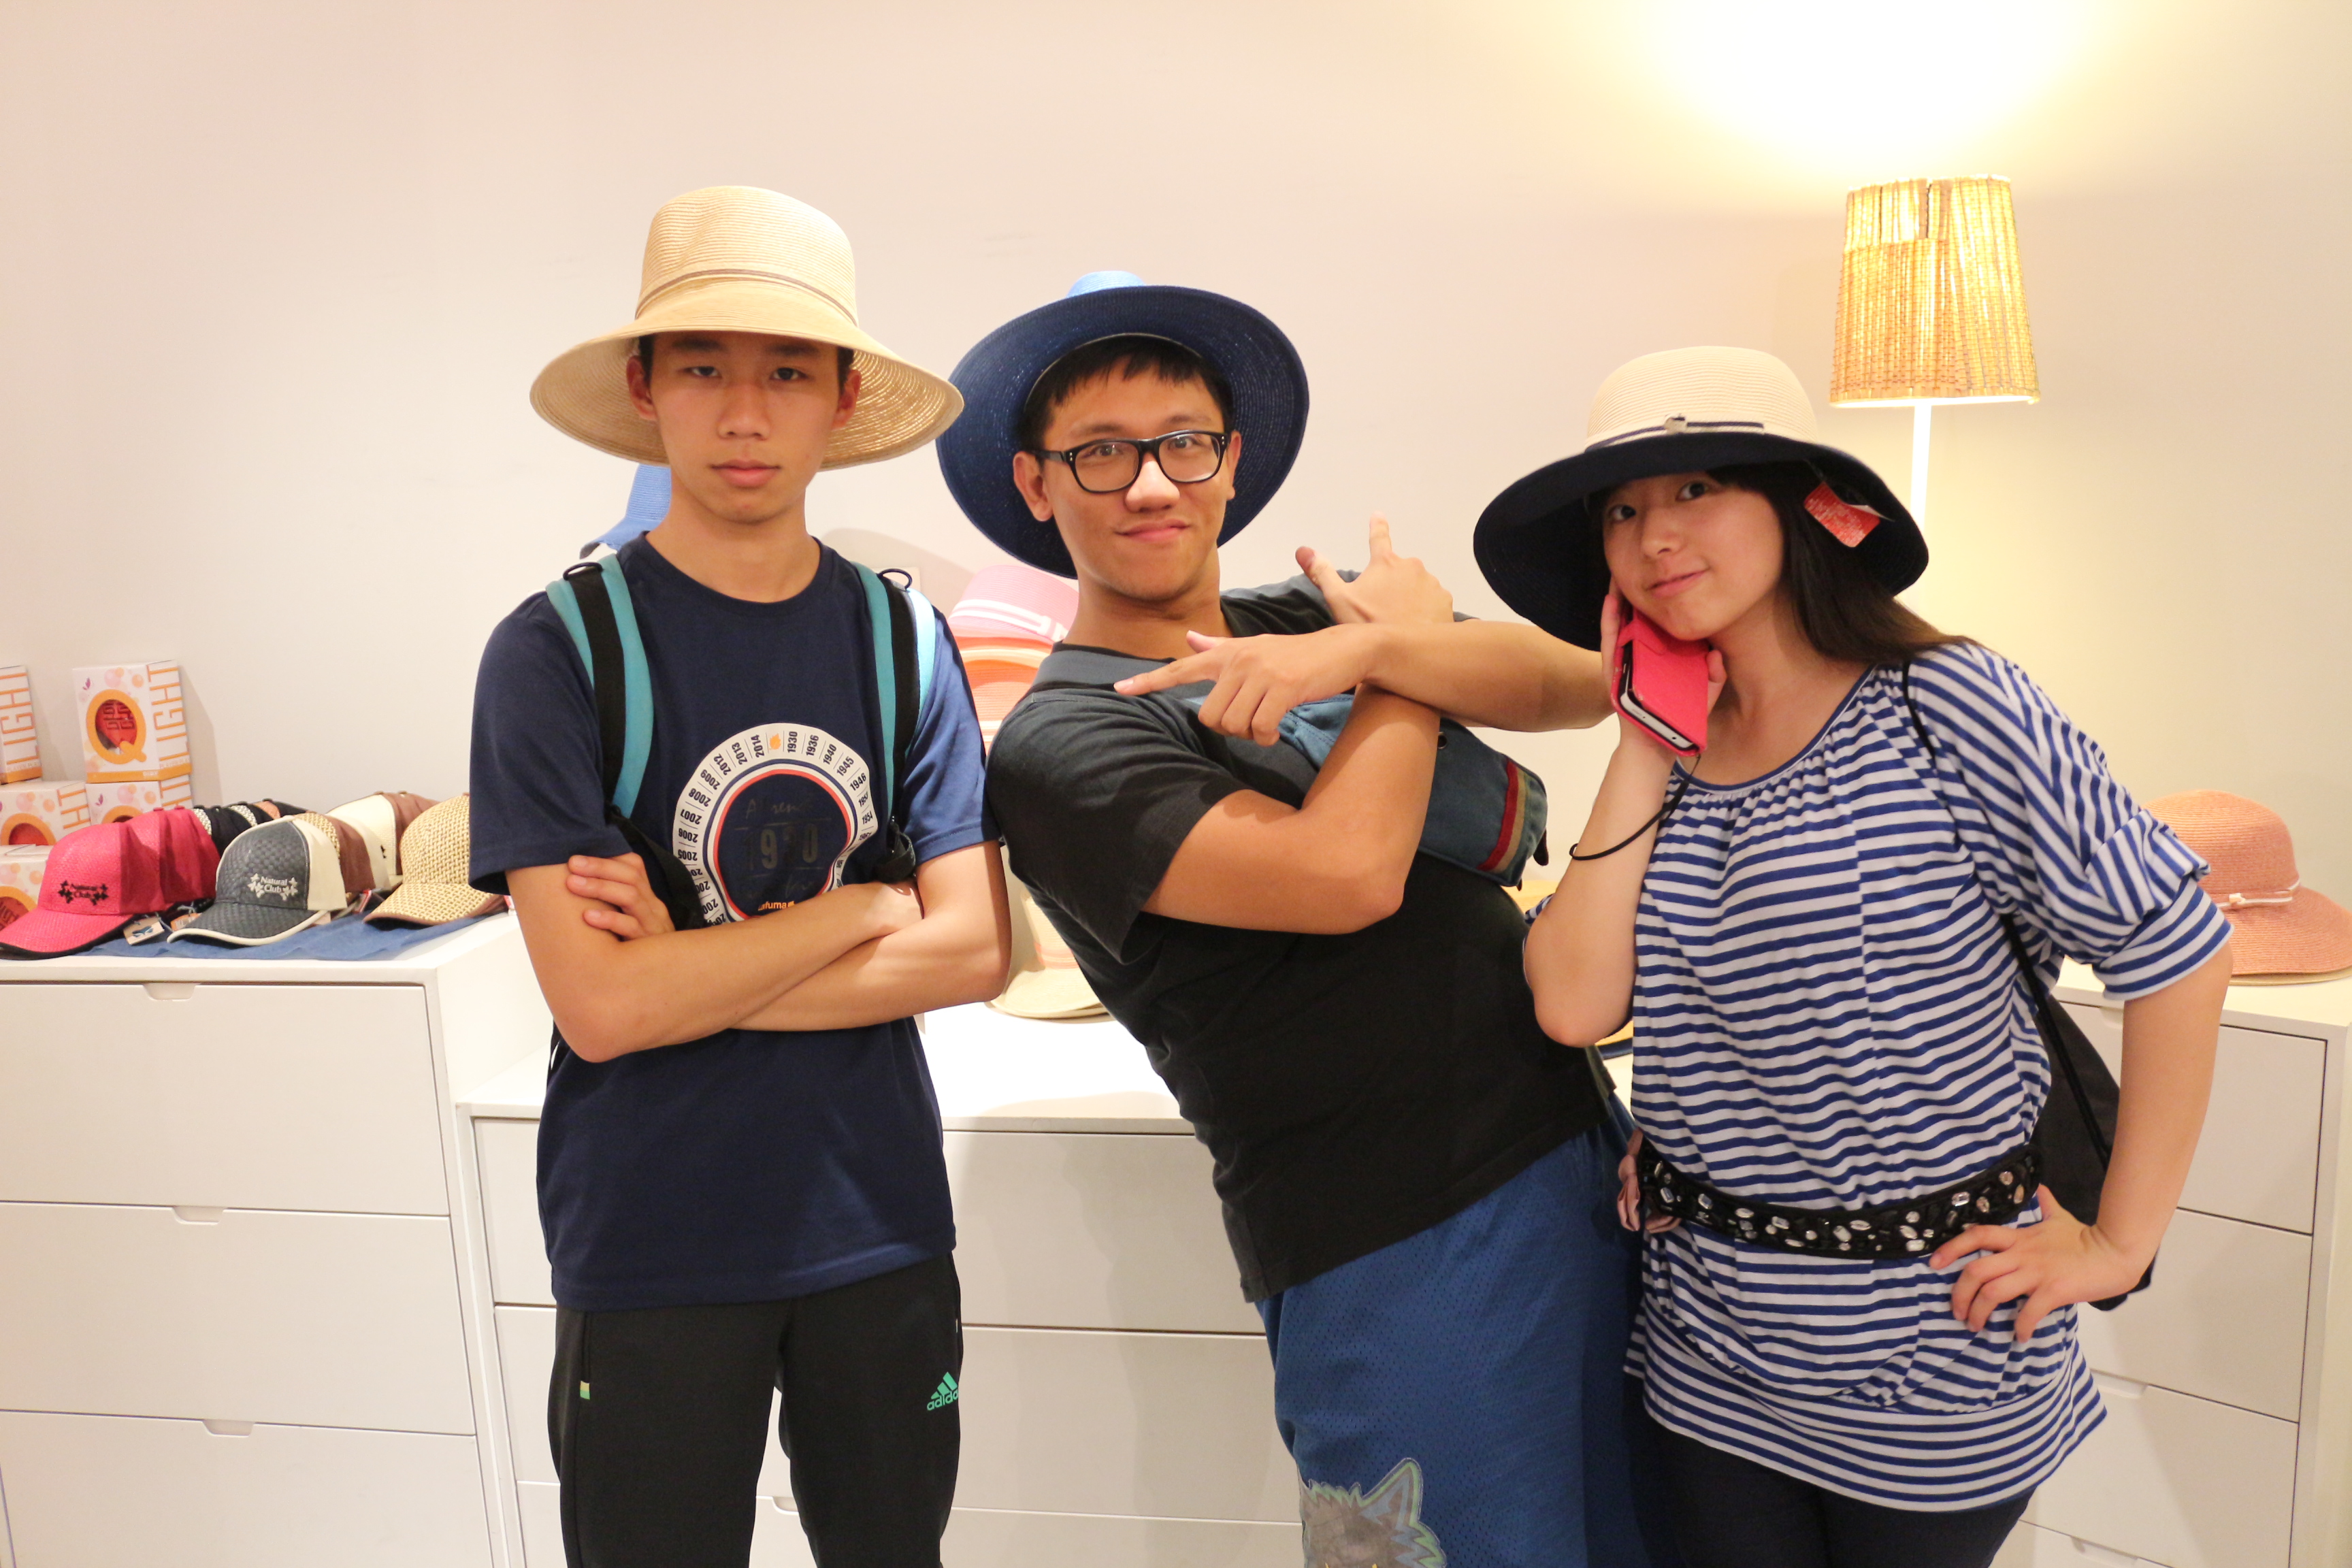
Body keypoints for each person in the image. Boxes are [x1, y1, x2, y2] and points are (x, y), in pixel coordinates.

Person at [937, 272, 1661, 1566]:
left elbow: (1579, 682)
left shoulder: (1299, 614)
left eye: (1183, 443)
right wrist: (1391, 658)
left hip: (1569, 1159)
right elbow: (1344, 875)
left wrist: (1365, 647)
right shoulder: (1061, 743)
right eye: (1101, 453)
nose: (1150, 484)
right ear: (1037, 485)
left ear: (1231, 462)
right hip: (1385, 1237)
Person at [1480, 346, 2235, 1568]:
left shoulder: (1946, 703)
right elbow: (1575, 1004)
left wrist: (2120, 1243)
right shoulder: (1667, 755)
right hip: (1709, 1339)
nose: (1654, 537)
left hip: (1934, 1346)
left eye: (1696, 490)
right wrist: (1642, 741)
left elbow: (2179, 948)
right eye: (1622, 511)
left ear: (1801, 505)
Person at [467, 186, 1011, 1568]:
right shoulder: (558, 651)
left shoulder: (904, 639)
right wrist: (863, 906)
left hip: (877, 1220)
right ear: (647, 388)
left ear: (842, 398)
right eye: (705, 368)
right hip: (651, 1235)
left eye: (787, 372)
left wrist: (677, 970)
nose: (745, 414)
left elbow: (973, 952)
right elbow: (600, 1011)